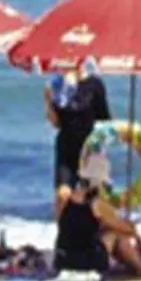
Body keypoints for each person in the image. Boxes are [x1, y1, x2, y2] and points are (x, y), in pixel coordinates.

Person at [52, 147, 141, 278]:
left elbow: (69, 227)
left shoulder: (64, 197)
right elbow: (127, 229)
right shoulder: (97, 204)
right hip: (86, 264)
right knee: (116, 234)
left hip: (63, 260)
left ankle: (139, 267)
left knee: (107, 232)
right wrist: (138, 238)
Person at [44, 63, 110, 213]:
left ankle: (90, 234)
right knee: (63, 195)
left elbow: (105, 120)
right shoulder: (57, 86)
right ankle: (63, 234)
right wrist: (48, 101)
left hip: (90, 148)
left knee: (92, 200)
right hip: (67, 147)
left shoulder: (94, 83)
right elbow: (56, 123)